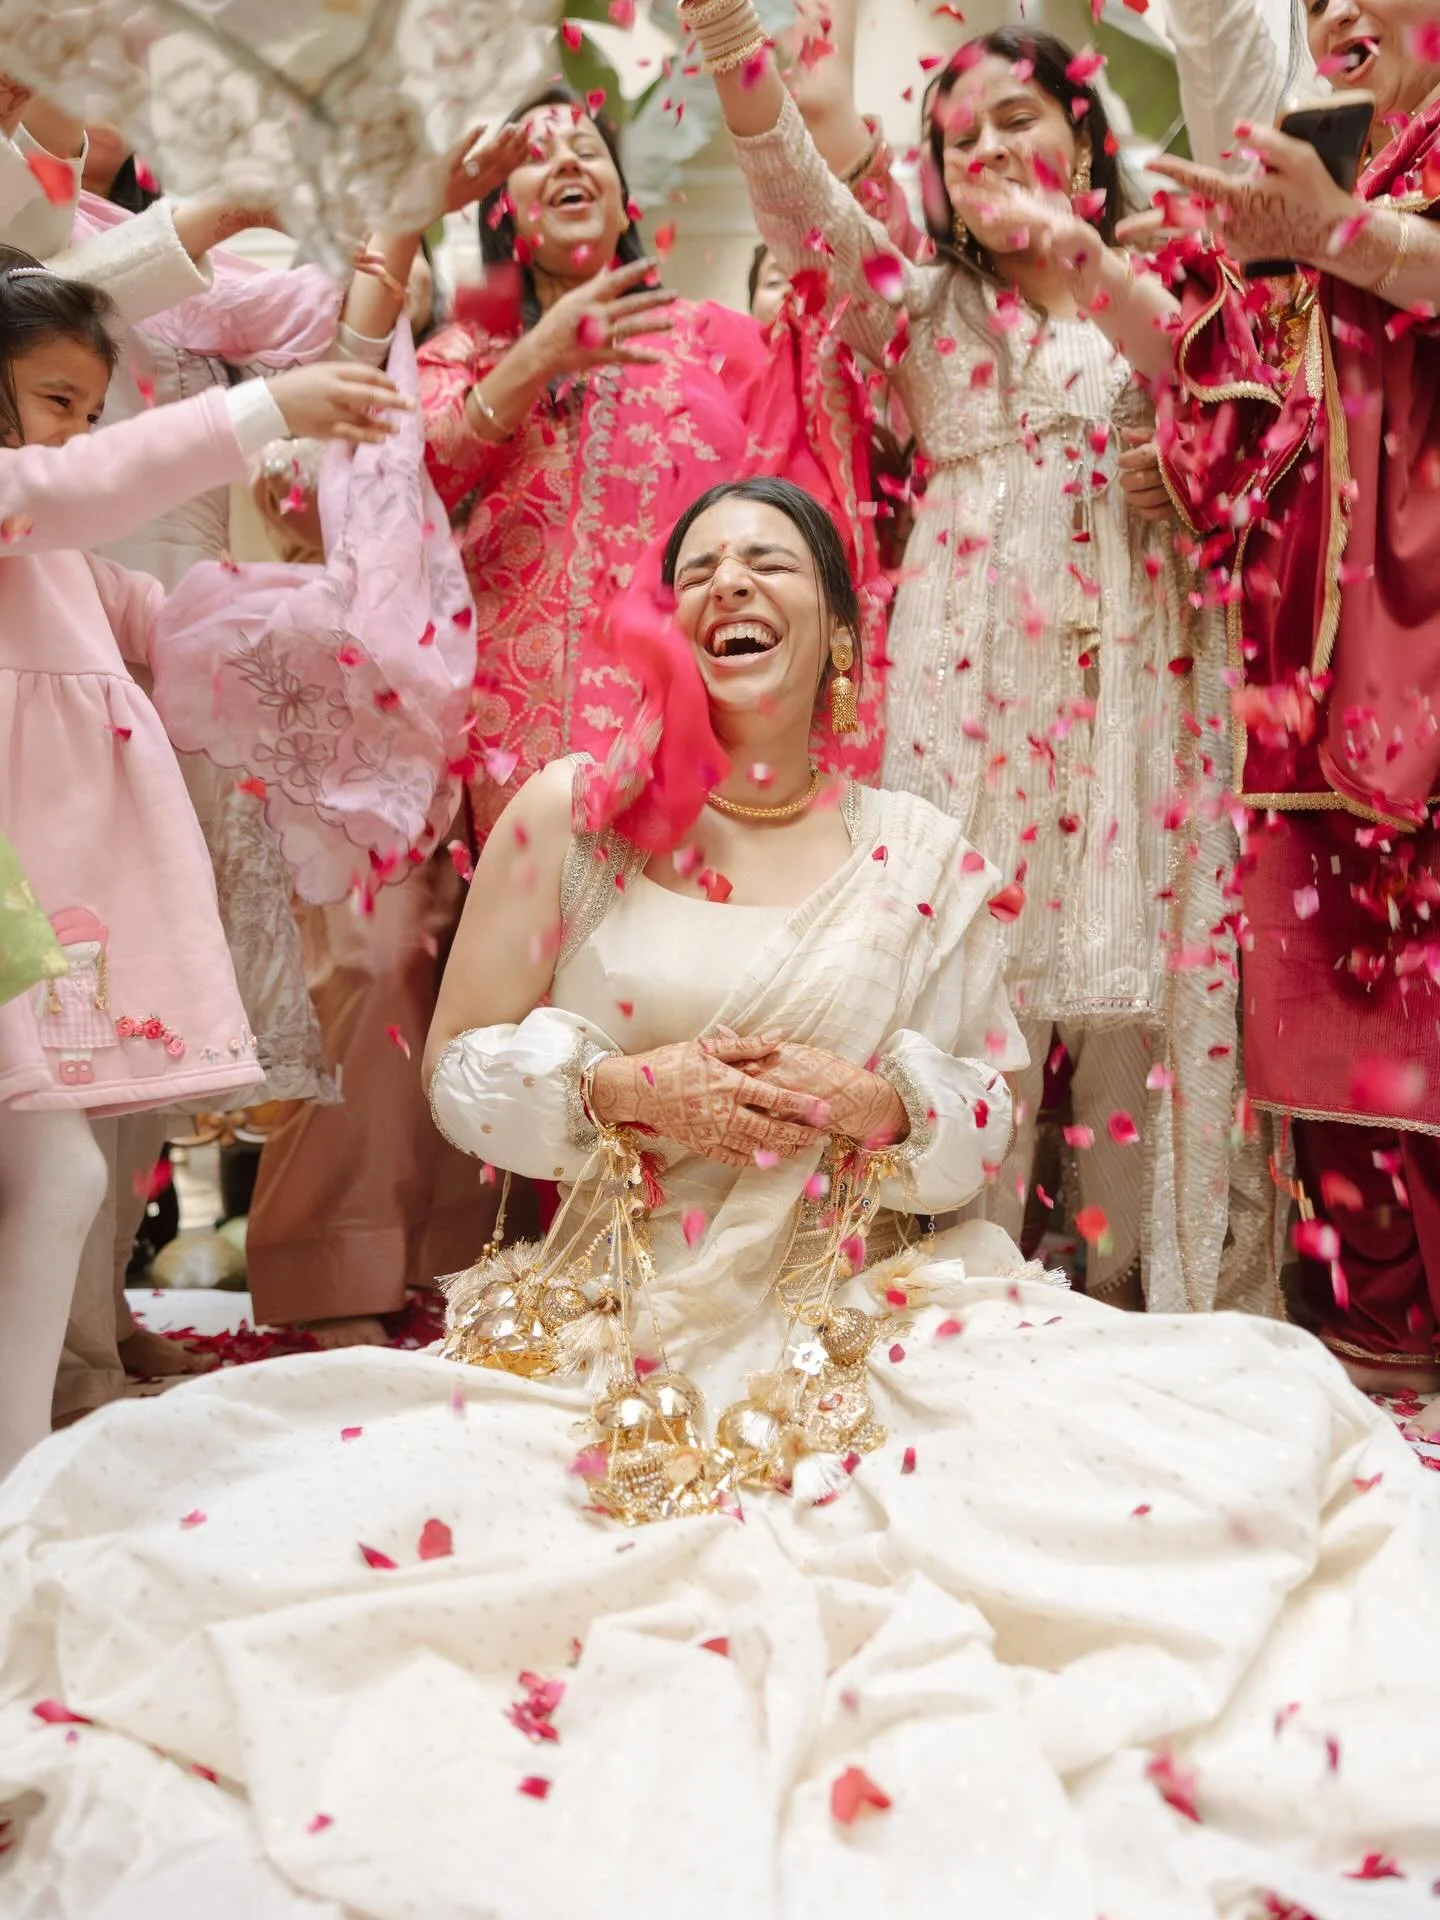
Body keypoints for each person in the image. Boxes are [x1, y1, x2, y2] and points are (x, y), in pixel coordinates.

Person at [1, 482, 1438, 1919]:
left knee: (1224, 1459)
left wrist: (893, 1108)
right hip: (611, 1321)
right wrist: (622, 1092)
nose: (728, 586)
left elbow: (981, 1122)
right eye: (695, 569)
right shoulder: (576, 815)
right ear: (663, 624)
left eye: (769, 565)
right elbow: (459, 1075)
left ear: (840, 635)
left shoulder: (921, 853)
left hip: (866, 1309)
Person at [690, 3, 1243, 1313]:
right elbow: (797, 200)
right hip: (973, 671)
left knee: (1139, 977)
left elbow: (1198, 378)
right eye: (961, 135)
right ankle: (952, 1278)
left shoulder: (1168, 276)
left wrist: (1080, 252)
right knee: (973, 971)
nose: (990, 147)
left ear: (1085, 134)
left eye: (1020, 118)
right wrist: (737, 61)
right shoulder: (924, 304)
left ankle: (1137, 1290)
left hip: (1144, 661)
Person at [0, 249, 413, 1476]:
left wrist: (351, 606)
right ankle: (18, 1476)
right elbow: (78, 484)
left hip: (25, 897)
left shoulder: (67, 561)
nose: (82, 430)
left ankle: (20, 1473)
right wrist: (268, 407)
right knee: (58, 1167)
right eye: (56, 401)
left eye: (91, 406)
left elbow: (184, 620)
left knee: (62, 1167)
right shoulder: (26, 500)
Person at [1152, 0, 1440, 1431]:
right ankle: (1372, 1358)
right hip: (1310, 671)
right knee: (1330, 1006)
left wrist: (1345, 237)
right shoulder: (1332, 179)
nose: (1335, 9)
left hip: (1426, 650)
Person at [342, 87, 883, 847]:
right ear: (500, 209)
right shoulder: (468, 351)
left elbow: (799, 456)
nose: (567, 159)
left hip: (694, 704)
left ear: (622, 195)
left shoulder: (711, 337)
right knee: (539, 943)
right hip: (520, 721)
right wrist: (536, 359)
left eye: (588, 149)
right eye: (537, 155)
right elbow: (409, 474)